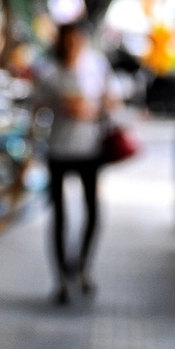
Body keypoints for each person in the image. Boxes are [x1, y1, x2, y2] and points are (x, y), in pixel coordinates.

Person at [38, 17, 118, 303]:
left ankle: (83, 266)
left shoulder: (96, 66)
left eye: (75, 40)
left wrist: (93, 110)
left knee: (93, 212)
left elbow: (113, 98)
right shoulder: (50, 73)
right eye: (66, 41)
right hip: (59, 150)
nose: (71, 46)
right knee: (59, 216)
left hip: (90, 150)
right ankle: (60, 276)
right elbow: (37, 107)